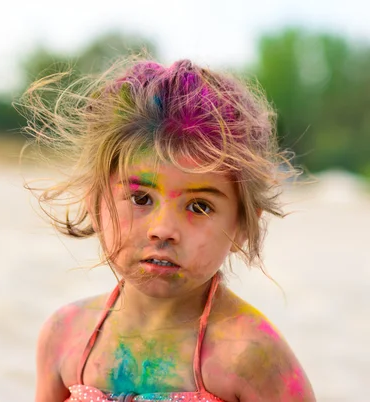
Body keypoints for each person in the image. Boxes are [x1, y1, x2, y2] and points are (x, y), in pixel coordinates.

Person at [19, 57, 315, 401]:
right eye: (140, 197)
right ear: (95, 202)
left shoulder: (251, 355)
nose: (163, 230)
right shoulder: (65, 335)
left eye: (199, 206)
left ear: (242, 227)